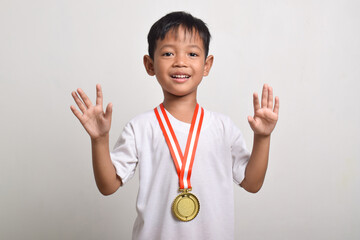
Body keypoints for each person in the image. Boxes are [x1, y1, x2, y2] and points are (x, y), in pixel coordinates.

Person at [70, 11, 279, 240]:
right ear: (150, 65)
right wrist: (99, 140)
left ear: (206, 65)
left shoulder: (222, 127)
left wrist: (263, 138)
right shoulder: (141, 127)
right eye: (168, 53)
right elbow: (108, 186)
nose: (180, 62)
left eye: (192, 53)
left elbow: (252, 183)